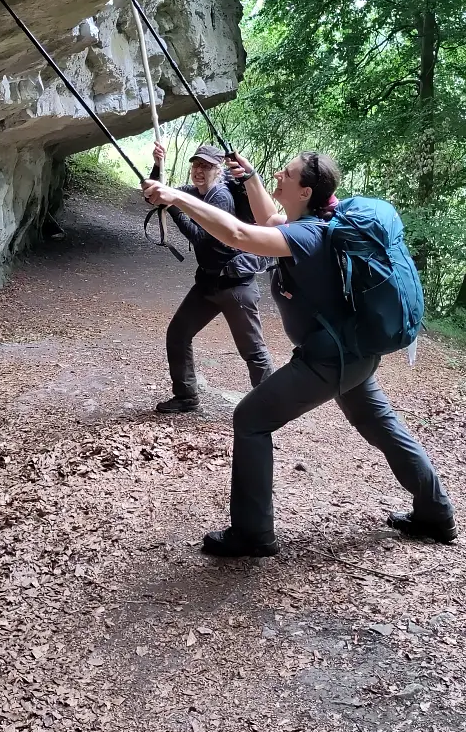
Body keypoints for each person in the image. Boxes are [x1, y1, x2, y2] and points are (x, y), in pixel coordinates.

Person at [143, 149, 456, 555]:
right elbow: (266, 220)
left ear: (304, 190)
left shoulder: (307, 236)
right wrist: (252, 178)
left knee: (251, 418)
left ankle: (252, 534)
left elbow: (239, 235)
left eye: (286, 173)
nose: (279, 173)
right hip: (355, 352)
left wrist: (178, 197)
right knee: (381, 425)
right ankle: (437, 513)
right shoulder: (317, 221)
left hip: (329, 359)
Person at [149, 142, 274, 414]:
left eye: (206, 166)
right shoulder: (194, 193)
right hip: (207, 283)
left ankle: (270, 408)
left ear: (218, 170)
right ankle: (186, 396)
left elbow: (200, 239)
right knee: (179, 333)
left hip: (235, 287)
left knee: (253, 351)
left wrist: (173, 206)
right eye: (196, 165)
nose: (199, 171)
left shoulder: (221, 197)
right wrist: (158, 166)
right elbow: (154, 195)